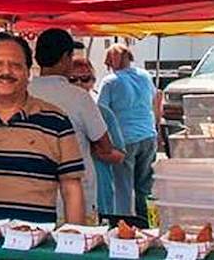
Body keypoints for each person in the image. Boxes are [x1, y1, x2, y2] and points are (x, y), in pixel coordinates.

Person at [0, 33, 84, 223]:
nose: (5, 71)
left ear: (28, 72)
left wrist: (75, 239)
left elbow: (71, 187)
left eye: (15, 65)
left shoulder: (56, 120)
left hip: (36, 246)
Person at [29, 28, 123, 221]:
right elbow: (104, 146)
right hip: (74, 200)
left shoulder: (23, 93)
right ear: (66, 58)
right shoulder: (79, 98)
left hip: (30, 197)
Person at [97, 43, 159, 217]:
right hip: (148, 136)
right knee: (144, 188)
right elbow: (155, 100)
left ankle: (123, 225)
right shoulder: (145, 76)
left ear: (112, 61)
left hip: (125, 140)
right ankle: (145, 221)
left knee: (122, 189)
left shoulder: (110, 82)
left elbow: (100, 112)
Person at [68, 57, 126, 217]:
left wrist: (97, 149)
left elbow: (120, 155)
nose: (79, 83)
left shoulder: (104, 113)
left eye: (85, 79)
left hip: (100, 190)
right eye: (72, 79)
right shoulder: (57, 111)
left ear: (93, 82)